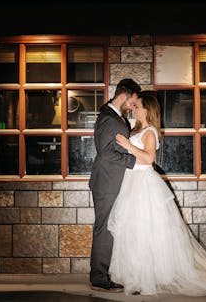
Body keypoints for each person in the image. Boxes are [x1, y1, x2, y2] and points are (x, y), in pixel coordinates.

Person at [109, 92, 206, 296]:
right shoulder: (136, 129)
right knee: (134, 230)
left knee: (147, 229)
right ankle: (134, 275)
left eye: (136, 106)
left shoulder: (150, 132)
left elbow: (148, 159)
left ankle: (149, 277)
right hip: (132, 182)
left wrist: (128, 146)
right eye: (133, 106)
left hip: (143, 183)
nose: (133, 109)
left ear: (147, 109)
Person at [88, 78, 141, 292]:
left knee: (110, 226)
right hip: (107, 181)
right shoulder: (108, 118)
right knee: (105, 228)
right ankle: (99, 277)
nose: (134, 106)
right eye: (133, 101)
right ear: (124, 94)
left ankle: (103, 272)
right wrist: (134, 162)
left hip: (113, 180)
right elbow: (107, 153)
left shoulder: (114, 116)